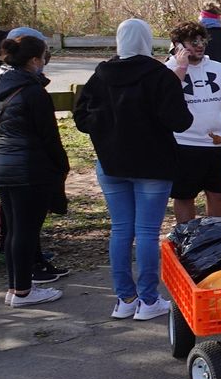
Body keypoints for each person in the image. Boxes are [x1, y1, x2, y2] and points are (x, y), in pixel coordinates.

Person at [74, 19, 194, 320]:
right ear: (147, 40)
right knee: (147, 233)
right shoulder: (159, 75)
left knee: (121, 230)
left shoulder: (100, 75)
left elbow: (80, 118)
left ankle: (125, 298)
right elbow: (180, 121)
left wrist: (106, 130)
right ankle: (148, 300)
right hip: (153, 164)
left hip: (111, 162)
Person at [0, 33, 69, 308]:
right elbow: (49, 137)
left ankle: (16, 286)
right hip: (27, 168)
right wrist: (61, 166)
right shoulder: (33, 92)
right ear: (34, 60)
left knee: (13, 230)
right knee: (25, 231)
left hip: (0, 164)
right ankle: (23, 290)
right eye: (44, 56)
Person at [165, 21, 221, 222]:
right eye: (193, 41)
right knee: (184, 196)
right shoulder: (168, 70)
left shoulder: (217, 67)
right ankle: (187, 238)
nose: (199, 45)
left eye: (202, 40)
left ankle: (214, 237)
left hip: (217, 144)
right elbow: (165, 98)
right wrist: (182, 67)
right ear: (177, 45)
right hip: (184, 144)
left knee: (217, 195)